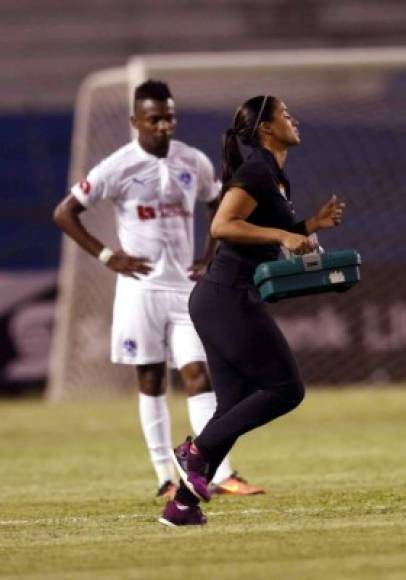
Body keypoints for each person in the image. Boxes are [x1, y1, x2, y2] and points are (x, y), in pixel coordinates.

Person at [53, 79, 264, 500]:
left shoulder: (194, 161)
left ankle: (217, 472)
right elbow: (65, 213)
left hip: (185, 291)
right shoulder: (117, 166)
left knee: (199, 374)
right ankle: (166, 477)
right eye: (154, 119)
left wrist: (210, 254)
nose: (164, 125)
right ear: (136, 122)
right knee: (151, 378)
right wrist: (109, 256)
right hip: (140, 290)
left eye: (169, 116)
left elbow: (219, 207)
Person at [158, 95, 346, 527]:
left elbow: (259, 237)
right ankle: (196, 452)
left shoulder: (276, 176)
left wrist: (308, 228)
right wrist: (285, 233)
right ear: (265, 127)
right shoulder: (256, 169)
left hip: (225, 297)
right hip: (227, 296)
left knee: (231, 406)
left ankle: (183, 505)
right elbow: (222, 225)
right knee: (286, 389)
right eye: (284, 114)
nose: (293, 118)